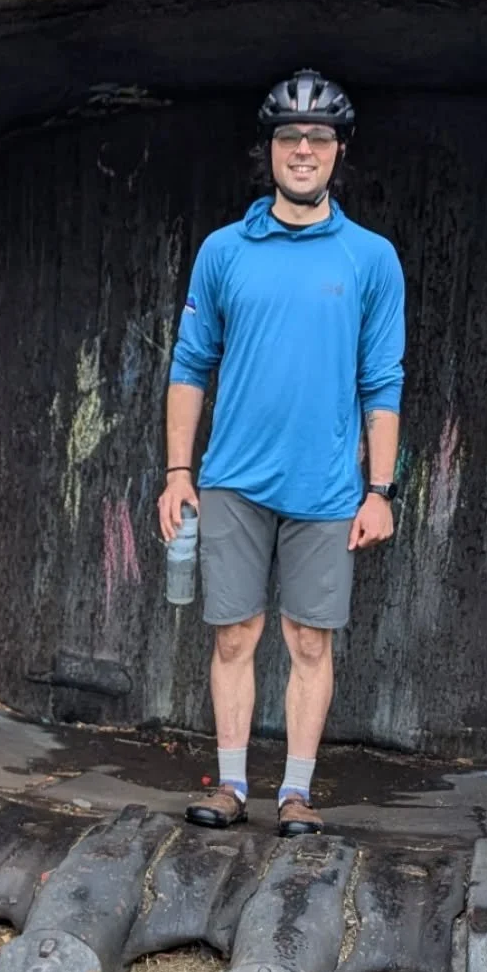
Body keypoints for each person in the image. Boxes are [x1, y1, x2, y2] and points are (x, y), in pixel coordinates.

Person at [157, 69, 406, 837]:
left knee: (309, 639)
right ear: (268, 150)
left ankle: (295, 793)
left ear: (339, 153)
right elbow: (189, 364)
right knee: (235, 635)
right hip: (232, 479)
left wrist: (380, 489)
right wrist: (177, 474)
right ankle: (231, 785)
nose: (303, 151)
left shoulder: (371, 258)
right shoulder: (224, 251)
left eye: (318, 139)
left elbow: (382, 379)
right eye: (289, 138)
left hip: (329, 489)